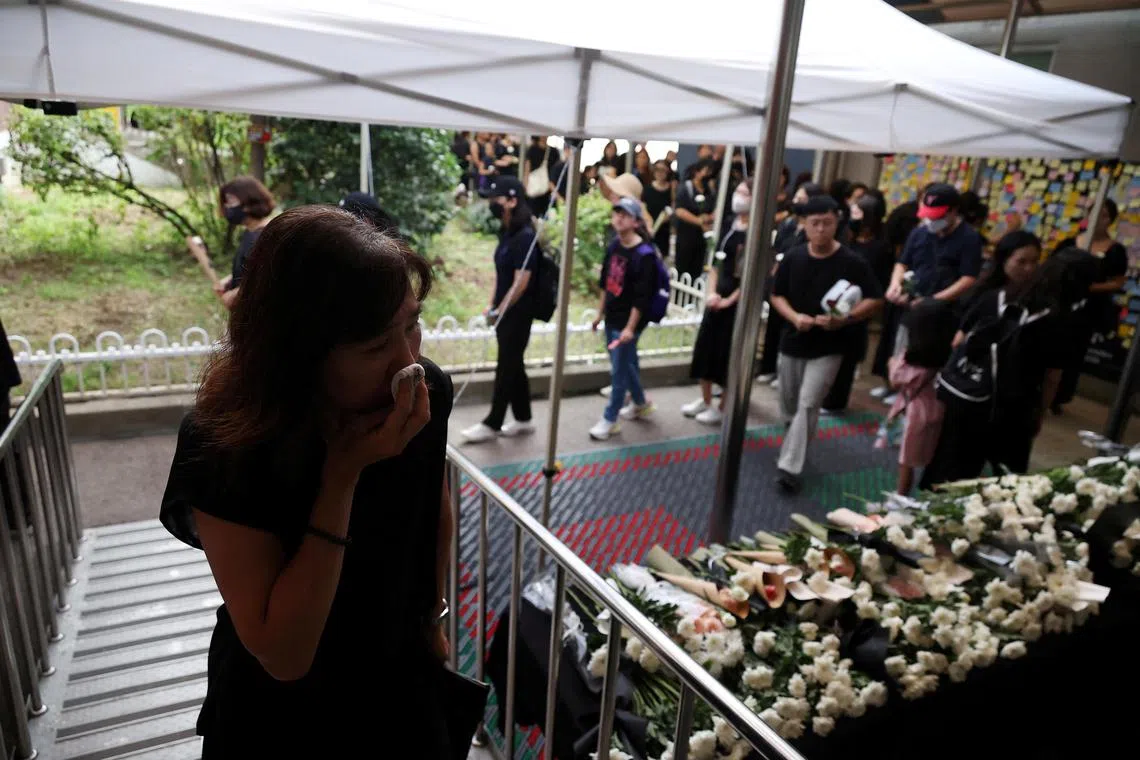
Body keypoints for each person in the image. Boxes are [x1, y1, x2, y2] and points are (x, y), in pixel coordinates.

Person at [159, 205, 474, 756]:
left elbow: (433, 504)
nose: (407, 360)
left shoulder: (423, 392)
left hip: (399, 678)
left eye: (413, 325)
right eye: (377, 346)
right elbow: (284, 655)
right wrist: (341, 477)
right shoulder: (229, 444)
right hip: (282, 714)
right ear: (296, 352)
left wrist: (433, 616)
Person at [920, 248, 1097, 487]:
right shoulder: (1061, 320)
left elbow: (958, 341)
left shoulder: (998, 296)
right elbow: (1052, 377)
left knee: (951, 462)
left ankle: (930, 510)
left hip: (968, 395)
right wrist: (1040, 412)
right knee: (1004, 477)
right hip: (1014, 406)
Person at [769, 196, 883, 493]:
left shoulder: (852, 262)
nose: (820, 229)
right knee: (789, 406)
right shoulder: (793, 257)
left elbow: (874, 299)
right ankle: (793, 447)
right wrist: (795, 318)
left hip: (830, 346)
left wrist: (845, 319)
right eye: (814, 223)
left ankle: (789, 467)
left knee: (808, 405)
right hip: (793, 341)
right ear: (804, 225)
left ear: (837, 224)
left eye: (827, 223)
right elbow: (776, 295)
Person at [461, 178, 540, 444]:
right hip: (505, 310)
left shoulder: (526, 236)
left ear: (512, 201)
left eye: (496, 199)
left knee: (506, 365)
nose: (492, 204)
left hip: (519, 313)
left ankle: (492, 423)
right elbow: (502, 275)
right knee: (514, 363)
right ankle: (524, 419)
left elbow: (521, 281)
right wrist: (492, 304)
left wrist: (502, 309)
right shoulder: (508, 233)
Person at [885, 183, 983, 356]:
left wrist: (933, 301)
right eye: (928, 216)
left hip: (942, 315)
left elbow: (968, 278)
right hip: (910, 308)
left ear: (954, 211)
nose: (932, 222)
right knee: (900, 357)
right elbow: (902, 263)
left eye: (937, 217)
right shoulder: (919, 233)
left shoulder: (969, 238)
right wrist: (895, 284)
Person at [589, 197, 658, 441]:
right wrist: (600, 313)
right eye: (616, 213)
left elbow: (642, 298)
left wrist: (630, 328)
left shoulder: (644, 255)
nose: (619, 217)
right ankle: (640, 402)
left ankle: (610, 419)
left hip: (628, 322)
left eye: (625, 214)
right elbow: (606, 284)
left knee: (618, 371)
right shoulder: (614, 246)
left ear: (636, 221)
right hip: (613, 317)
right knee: (626, 364)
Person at [1051, 198, 1128, 414]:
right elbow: (1051, 268)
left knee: (1073, 355)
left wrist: (1091, 287)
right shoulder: (1070, 242)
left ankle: (1059, 397)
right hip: (1060, 304)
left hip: (1087, 311)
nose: (1098, 218)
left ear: (1111, 219)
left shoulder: (1116, 250)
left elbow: (1118, 281)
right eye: (1093, 212)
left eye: (1103, 215)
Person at [683, 182, 749, 425]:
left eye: (744, 193)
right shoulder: (728, 226)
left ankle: (723, 406)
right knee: (705, 351)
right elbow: (715, 265)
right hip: (716, 299)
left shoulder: (755, 234)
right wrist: (711, 293)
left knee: (726, 356)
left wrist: (730, 300)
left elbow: (752, 276)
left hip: (734, 304)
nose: (738, 197)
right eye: (738, 192)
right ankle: (706, 399)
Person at [821, 193, 892, 413]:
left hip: (859, 302)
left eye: (858, 213)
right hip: (836, 295)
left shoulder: (881, 248)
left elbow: (879, 283)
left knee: (848, 352)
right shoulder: (846, 239)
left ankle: (836, 401)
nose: (853, 218)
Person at [882, 300, 956, 494]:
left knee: (907, 459)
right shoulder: (948, 355)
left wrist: (891, 362)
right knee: (933, 452)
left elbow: (895, 380)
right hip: (938, 408)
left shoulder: (912, 357)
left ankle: (900, 496)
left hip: (914, 411)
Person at [757, 183, 827, 384]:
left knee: (788, 328)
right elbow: (777, 247)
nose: (796, 202)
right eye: (796, 198)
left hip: (796, 285)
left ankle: (783, 372)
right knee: (772, 326)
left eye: (801, 199)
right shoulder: (788, 224)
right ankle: (769, 367)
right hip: (778, 280)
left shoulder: (811, 231)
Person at [187, 176, 274, 312]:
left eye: (231, 202)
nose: (227, 208)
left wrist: (236, 294)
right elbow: (248, 269)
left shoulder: (269, 236)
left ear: (249, 201)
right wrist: (229, 280)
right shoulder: (249, 232)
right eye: (226, 203)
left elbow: (267, 280)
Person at [870, 200, 920, 401]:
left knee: (904, 344)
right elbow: (901, 263)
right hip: (898, 295)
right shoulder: (909, 225)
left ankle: (899, 388)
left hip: (916, 301)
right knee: (890, 339)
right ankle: (888, 382)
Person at [673, 158, 717, 281]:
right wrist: (699, 221)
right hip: (686, 237)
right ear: (697, 172)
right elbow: (679, 210)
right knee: (683, 271)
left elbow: (714, 209)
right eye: (706, 171)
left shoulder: (710, 191)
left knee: (697, 270)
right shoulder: (686, 188)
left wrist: (710, 217)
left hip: (702, 239)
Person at [642, 160, 675, 255]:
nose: (660, 173)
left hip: (664, 231)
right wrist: (648, 221)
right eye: (657, 169)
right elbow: (643, 207)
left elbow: (673, 206)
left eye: (663, 170)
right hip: (648, 229)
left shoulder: (671, 189)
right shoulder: (647, 189)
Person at [523, 136, 558, 218]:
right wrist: (525, 185)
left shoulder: (553, 151)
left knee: (547, 213)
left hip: (547, 187)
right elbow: (527, 168)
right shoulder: (532, 149)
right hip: (534, 186)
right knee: (534, 214)